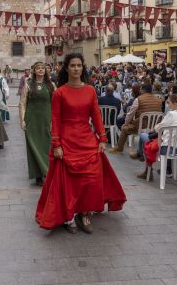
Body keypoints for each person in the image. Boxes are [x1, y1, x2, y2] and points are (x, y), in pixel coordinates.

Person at [35, 53, 127, 234]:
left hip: (87, 139)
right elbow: (56, 120)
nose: (76, 68)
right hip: (66, 140)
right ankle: (69, 216)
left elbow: (96, 115)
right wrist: (57, 145)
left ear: (83, 68)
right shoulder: (59, 92)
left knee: (91, 180)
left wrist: (102, 138)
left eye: (79, 65)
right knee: (69, 183)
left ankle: (84, 213)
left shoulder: (90, 90)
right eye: (73, 65)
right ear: (67, 68)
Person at [137, 94, 177, 180]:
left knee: (143, 136)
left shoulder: (172, 114)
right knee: (160, 139)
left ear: (175, 103)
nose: (168, 105)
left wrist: (156, 127)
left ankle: (144, 162)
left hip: (166, 148)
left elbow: (158, 128)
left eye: (169, 102)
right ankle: (141, 156)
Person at [19, 62, 55, 185]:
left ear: (45, 71)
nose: (40, 70)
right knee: (33, 146)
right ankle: (38, 175)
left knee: (46, 146)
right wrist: (22, 120)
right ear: (34, 71)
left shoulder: (51, 85)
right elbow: (22, 103)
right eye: (38, 68)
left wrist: (54, 120)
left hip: (46, 119)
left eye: (42, 68)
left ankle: (47, 171)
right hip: (32, 120)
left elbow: (56, 104)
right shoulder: (28, 85)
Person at [109, 83, 162, 155]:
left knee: (124, 129)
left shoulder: (138, 99)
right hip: (154, 128)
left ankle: (119, 148)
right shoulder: (158, 100)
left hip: (141, 126)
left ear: (143, 90)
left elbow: (130, 114)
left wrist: (126, 123)